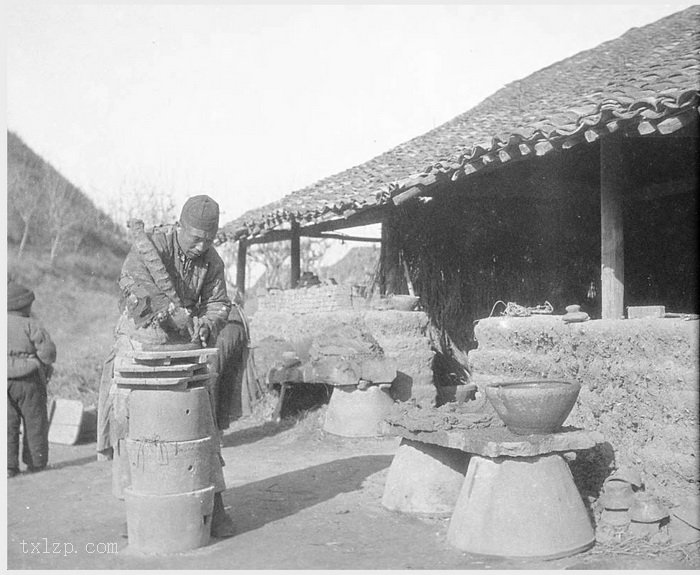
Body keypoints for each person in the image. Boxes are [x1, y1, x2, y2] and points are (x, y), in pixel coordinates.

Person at [96, 194, 238, 538]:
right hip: (140, 339)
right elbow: (131, 286)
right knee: (129, 424)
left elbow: (220, 303)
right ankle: (138, 510)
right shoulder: (152, 246)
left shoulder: (211, 261)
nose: (202, 246)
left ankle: (214, 506)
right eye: (196, 238)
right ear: (179, 227)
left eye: (209, 239)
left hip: (186, 346)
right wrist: (164, 311)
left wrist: (206, 323)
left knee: (202, 422)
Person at [7, 280, 57, 478]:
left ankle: (8, 466)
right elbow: (48, 353)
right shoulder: (31, 324)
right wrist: (45, 364)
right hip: (28, 380)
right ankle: (36, 462)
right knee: (35, 421)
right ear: (24, 305)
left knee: (7, 424)